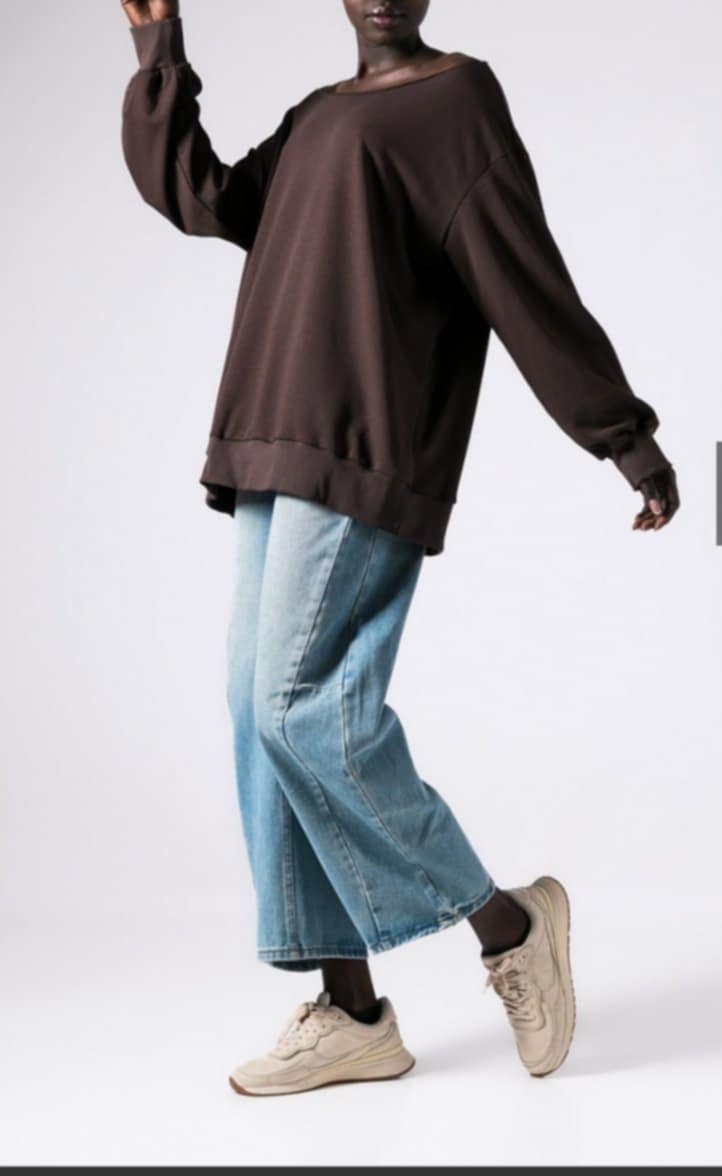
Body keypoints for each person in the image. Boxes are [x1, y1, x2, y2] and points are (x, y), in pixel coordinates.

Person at [119, 0, 680, 1097]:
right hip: (271, 436)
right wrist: (157, 52)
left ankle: (508, 925)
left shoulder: (456, 100)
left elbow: (521, 273)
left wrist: (622, 436)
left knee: (299, 709)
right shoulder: (319, 116)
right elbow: (203, 198)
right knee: (258, 716)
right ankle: (352, 1013)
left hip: (366, 445)